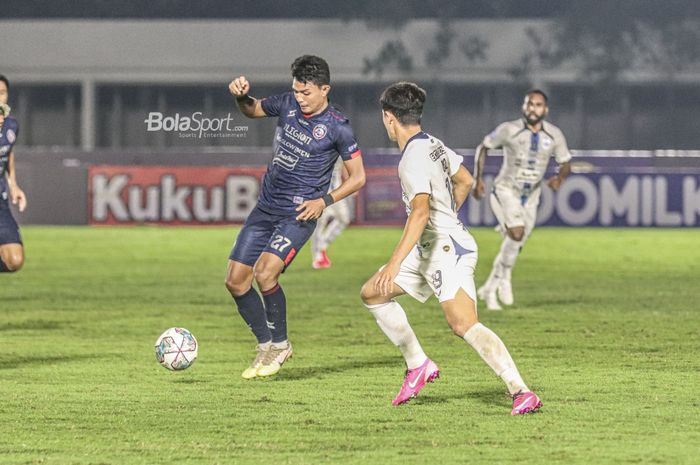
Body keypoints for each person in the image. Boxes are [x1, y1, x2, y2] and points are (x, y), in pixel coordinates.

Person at [360, 81, 541, 415]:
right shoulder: (432, 143)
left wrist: (394, 263)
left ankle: (521, 391)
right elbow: (466, 181)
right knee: (373, 293)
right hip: (435, 244)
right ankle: (418, 365)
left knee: (463, 324)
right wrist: (445, 220)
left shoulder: (410, 159)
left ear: (388, 118)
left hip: (445, 250)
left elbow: (420, 212)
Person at [226, 55, 366, 379]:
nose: (300, 98)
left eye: (306, 93)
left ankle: (282, 343)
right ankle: (266, 344)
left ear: (325, 89)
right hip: (265, 207)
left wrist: (325, 201)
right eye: (297, 91)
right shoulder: (287, 104)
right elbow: (252, 109)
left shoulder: (338, 127)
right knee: (234, 281)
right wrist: (241, 96)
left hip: (299, 213)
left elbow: (358, 177)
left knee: (265, 274)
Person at [473, 90, 571, 310]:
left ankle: (489, 288)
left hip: (532, 197)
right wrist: (477, 180)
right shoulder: (509, 129)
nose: (532, 109)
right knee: (516, 234)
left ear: (545, 110)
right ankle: (504, 279)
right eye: (529, 104)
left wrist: (560, 178)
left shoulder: (554, 135)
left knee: (516, 244)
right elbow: (483, 147)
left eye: (537, 105)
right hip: (505, 190)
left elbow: (566, 162)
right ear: (523, 107)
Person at [0, 75, 27, 273]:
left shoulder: (11, 126)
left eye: (2, 93)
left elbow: (7, 154)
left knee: (15, 261)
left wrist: (14, 185)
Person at [310, 158, 353, 269]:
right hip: (321, 191)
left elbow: (346, 162)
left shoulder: (342, 142)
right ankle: (318, 256)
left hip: (336, 191)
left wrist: (349, 179)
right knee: (320, 222)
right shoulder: (319, 144)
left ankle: (322, 245)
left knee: (344, 218)